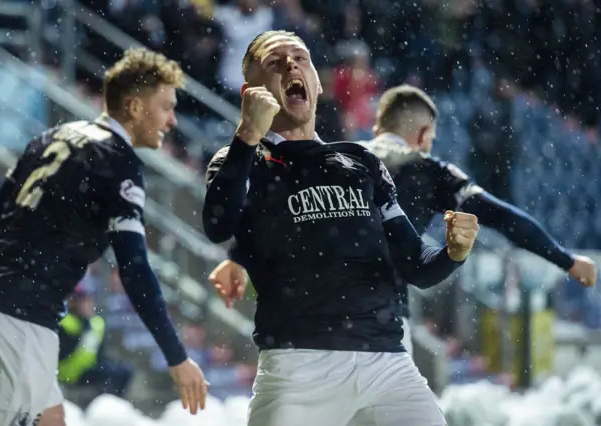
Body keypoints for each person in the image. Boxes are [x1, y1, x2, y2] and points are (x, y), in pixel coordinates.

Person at [202, 30, 480, 426]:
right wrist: (248, 133)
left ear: (317, 82)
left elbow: (416, 265)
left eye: (300, 59)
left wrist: (454, 252)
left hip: (387, 364)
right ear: (251, 91)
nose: (291, 67)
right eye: (275, 63)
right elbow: (217, 224)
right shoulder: (240, 159)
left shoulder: (361, 161)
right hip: (299, 364)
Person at [211, 84, 598, 355]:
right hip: (381, 324)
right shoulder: (430, 168)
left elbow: (273, 208)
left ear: (378, 126)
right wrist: (566, 259)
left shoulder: (338, 158)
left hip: (309, 320)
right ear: (425, 134)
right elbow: (501, 216)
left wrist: (236, 256)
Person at [0, 47, 208, 426]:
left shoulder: (52, 136)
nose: (172, 120)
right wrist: (177, 357)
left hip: (12, 312)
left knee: (52, 419)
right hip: (18, 320)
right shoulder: (116, 160)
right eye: (165, 107)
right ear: (135, 106)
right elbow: (135, 268)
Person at [57, 284, 134, 398]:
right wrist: (82, 330)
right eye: (85, 301)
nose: (90, 305)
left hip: (89, 369)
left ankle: (112, 404)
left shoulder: (96, 324)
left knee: (123, 371)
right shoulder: (65, 322)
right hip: (67, 373)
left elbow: (100, 353)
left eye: (90, 301)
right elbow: (64, 353)